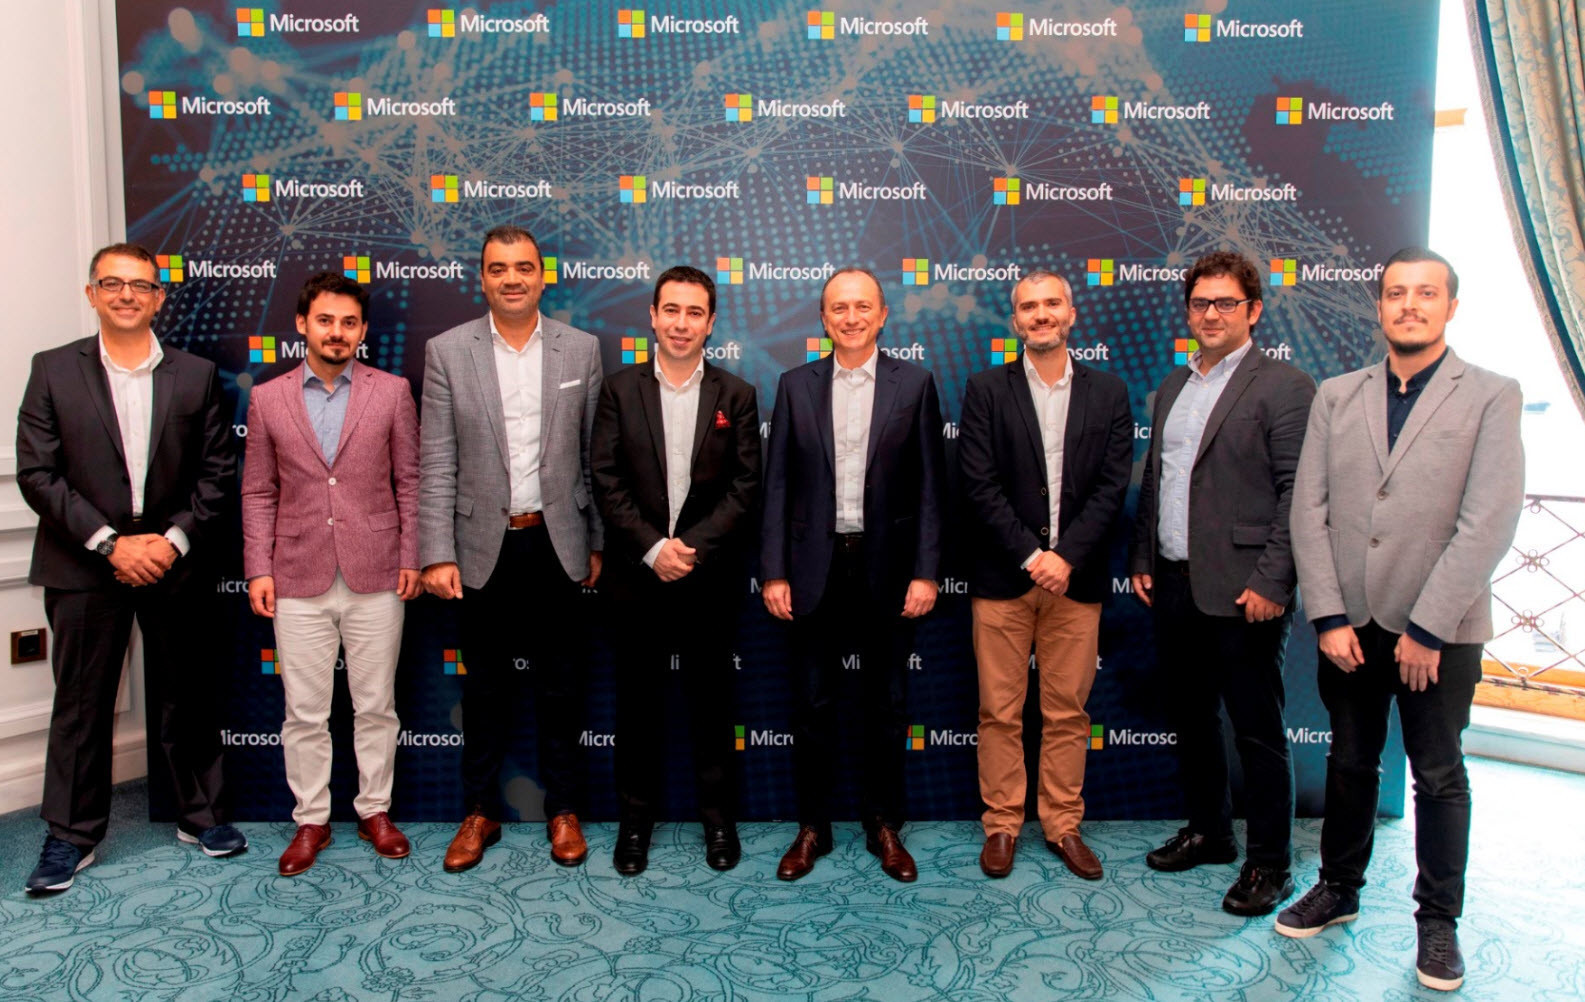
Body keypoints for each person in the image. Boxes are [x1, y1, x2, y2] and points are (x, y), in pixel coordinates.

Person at [1277, 248, 1522, 992]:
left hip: (1439, 633)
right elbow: (1308, 510)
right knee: (1350, 762)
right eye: (1395, 293)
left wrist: (1427, 629)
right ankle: (1338, 889)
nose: (1408, 305)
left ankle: (1438, 922)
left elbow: (1487, 522)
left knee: (1439, 776)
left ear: (1451, 307)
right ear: (1379, 306)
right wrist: (1326, 614)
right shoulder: (1337, 395)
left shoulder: (1491, 395)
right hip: (1349, 624)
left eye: (1425, 293)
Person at [18, 242, 244, 893]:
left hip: (175, 561)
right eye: (112, 283)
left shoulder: (196, 374)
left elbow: (217, 474)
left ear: (158, 297)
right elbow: (37, 472)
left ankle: (201, 816)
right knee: (81, 704)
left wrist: (169, 542)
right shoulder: (52, 369)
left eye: (140, 285)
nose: (126, 295)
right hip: (83, 563)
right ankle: (71, 836)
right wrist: (110, 544)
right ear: (92, 293)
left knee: (188, 694)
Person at [1129, 250, 1316, 916]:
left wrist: (1273, 580)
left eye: (1225, 303)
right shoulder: (1174, 386)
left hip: (1246, 591)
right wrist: (1144, 556)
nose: (1210, 314)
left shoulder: (1285, 386)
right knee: (1191, 718)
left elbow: (1299, 492)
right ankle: (1210, 831)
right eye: (1200, 303)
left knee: (1257, 731)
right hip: (1174, 582)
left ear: (1253, 310)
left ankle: (1270, 863)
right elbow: (1158, 481)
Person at [418, 225, 603, 872]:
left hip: (559, 542)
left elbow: (593, 457)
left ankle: (563, 810)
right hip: (479, 546)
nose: (512, 279)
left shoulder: (581, 350)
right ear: (482, 278)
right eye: (499, 269)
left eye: (523, 267)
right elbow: (436, 460)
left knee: (562, 689)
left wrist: (596, 540)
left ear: (542, 276)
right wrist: (436, 552)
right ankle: (479, 812)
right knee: (486, 691)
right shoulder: (447, 351)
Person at [761, 267, 946, 883]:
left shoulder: (914, 384)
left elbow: (931, 487)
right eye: (838, 307)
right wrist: (774, 571)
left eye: (862, 306)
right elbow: (777, 485)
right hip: (812, 570)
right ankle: (812, 827)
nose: (851, 317)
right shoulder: (794, 385)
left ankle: (884, 825)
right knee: (811, 705)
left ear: (883, 315)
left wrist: (926, 572)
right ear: (823, 318)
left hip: (887, 570)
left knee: (887, 706)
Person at [241, 272, 421, 875]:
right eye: (325, 320)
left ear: (363, 330)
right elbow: (258, 491)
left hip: (378, 570)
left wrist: (411, 556)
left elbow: (410, 482)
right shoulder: (268, 398)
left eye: (348, 322)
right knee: (304, 712)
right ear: (302, 325)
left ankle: (375, 811)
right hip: (296, 574)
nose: (336, 332)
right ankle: (311, 820)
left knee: (376, 706)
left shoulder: (391, 391)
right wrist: (258, 567)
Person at [958, 271, 1133, 880]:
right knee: (999, 713)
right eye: (1028, 306)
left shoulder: (1108, 391)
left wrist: (1066, 557)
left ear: (1071, 313)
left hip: (1076, 582)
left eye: (1051, 303)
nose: (1041, 314)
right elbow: (978, 483)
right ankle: (1002, 824)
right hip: (1003, 579)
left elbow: (1113, 486)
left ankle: (1062, 825)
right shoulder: (986, 389)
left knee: (1067, 714)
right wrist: (1033, 557)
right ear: (1015, 321)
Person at [591, 265, 761, 875]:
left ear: (710, 323)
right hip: (636, 579)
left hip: (707, 578)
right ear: (653, 317)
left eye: (694, 313)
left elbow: (745, 486)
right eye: (671, 310)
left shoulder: (737, 395)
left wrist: (688, 547)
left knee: (712, 707)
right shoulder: (618, 390)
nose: (681, 323)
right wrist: (651, 548)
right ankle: (635, 824)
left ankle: (718, 823)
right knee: (637, 708)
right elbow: (605, 479)